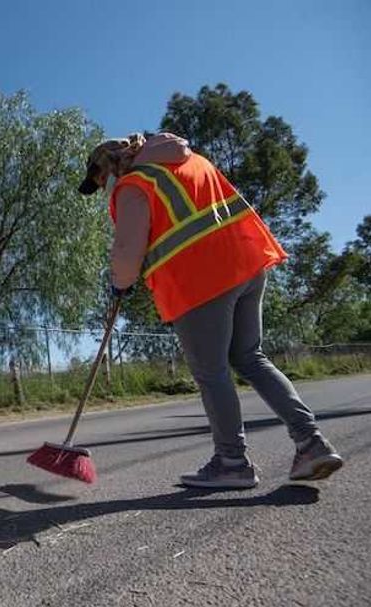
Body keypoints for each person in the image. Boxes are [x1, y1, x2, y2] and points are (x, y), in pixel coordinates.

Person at [78, 132, 343, 489]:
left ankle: (232, 462)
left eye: (99, 181)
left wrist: (119, 282)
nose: (102, 188)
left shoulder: (134, 184)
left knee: (212, 371)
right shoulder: (191, 161)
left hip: (200, 280)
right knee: (250, 357)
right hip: (247, 264)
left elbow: (127, 251)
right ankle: (311, 443)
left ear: (108, 167)